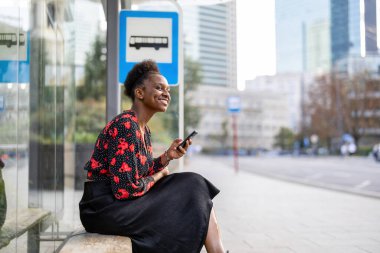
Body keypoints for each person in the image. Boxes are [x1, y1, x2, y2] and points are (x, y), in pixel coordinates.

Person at [79, 60, 225, 253]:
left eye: (168, 90)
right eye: (159, 88)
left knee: (194, 189)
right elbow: (125, 189)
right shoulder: (126, 126)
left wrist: (167, 157)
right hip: (103, 208)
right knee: (193, 185)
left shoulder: (143, 129)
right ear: (139, 93)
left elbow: (139, 171)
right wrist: (159, 176)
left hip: (119, 203)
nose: (166, 93)